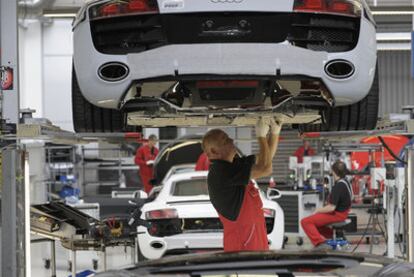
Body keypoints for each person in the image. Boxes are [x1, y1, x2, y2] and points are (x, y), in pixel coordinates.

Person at [202, 117, 282, 251]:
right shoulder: (221, 172)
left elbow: (265, 160)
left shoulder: (232, 164)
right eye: (225, 140)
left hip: (253, 235)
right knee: (250, 271)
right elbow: (265, 168)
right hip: (242, 241)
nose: (232, 140)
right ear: (214, 152)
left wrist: (274, 133)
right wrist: (261, 136)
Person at [301, 160, 353, 249]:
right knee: (317, 225)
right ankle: (335, 237)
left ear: (334, 171)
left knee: (305, 222)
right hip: (343, 212)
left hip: (337, 214)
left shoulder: (339, 186)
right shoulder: (346, 182)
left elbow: (331, 207)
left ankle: (319, 243)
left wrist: (317, 210)